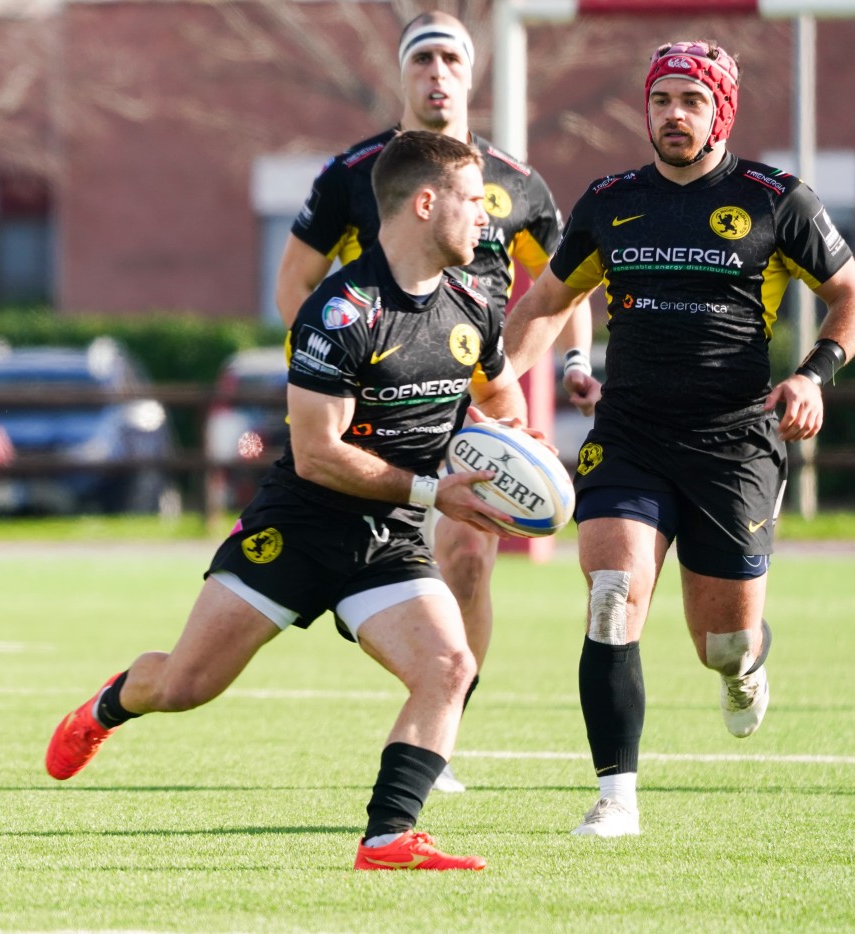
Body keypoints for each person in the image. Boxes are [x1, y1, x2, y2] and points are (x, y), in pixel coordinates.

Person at [47, 131, 531, 871]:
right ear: (425, 204)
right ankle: (108, 706)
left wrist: (507, 447)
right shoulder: (342, 312)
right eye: (471, 202)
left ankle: (388, 837)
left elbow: (497, 393)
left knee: (449, 666)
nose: (485, 221)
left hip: (392, 537)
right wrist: (437, 490)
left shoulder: (473, 304)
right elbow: (318, 454)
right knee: (185, 685)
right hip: (300, 526)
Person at [502, 40, 855, 837]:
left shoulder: (777, 199)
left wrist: (813, 374)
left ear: (722, 113)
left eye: (692, 101)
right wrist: (504, 392)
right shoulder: (609, 201)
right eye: (662, 99)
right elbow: (542, 304)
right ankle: (616, 800)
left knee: (723, 642)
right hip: (630, 432)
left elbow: (854, 298)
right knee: (611, 598)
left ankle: (746, 668)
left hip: (733, 443)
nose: (674, 114)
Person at [274, 10, 597, 794]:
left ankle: (441, 734)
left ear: (472, 74)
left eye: (452, 59)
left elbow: (563, 283)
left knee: (467, 561)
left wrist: (581, 358)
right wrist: (325, 375)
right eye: (423, 61)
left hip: (477, 401)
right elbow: (294, 282)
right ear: (402, 75)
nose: (437, 74)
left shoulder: (516, 182)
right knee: (352, 549)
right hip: (380, 403)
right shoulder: (354, 173)